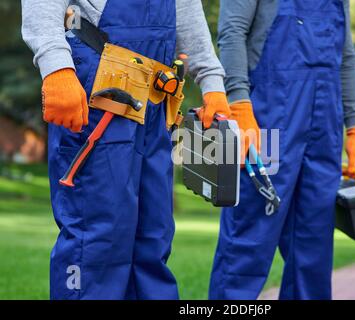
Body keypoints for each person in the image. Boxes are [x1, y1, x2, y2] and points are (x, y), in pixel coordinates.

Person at [21, 0, 230, 300]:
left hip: (156, 102)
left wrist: (211, 81)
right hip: (100, 90)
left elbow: (185, 6)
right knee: (95, 243)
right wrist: (56, 67)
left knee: (153, 241)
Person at [209, 0, 355, 300]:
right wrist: (239, 102)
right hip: (265, 123)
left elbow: (346, 57)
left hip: (324, 131)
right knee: (248, 240)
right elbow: (231, 32)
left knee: (313, 249)